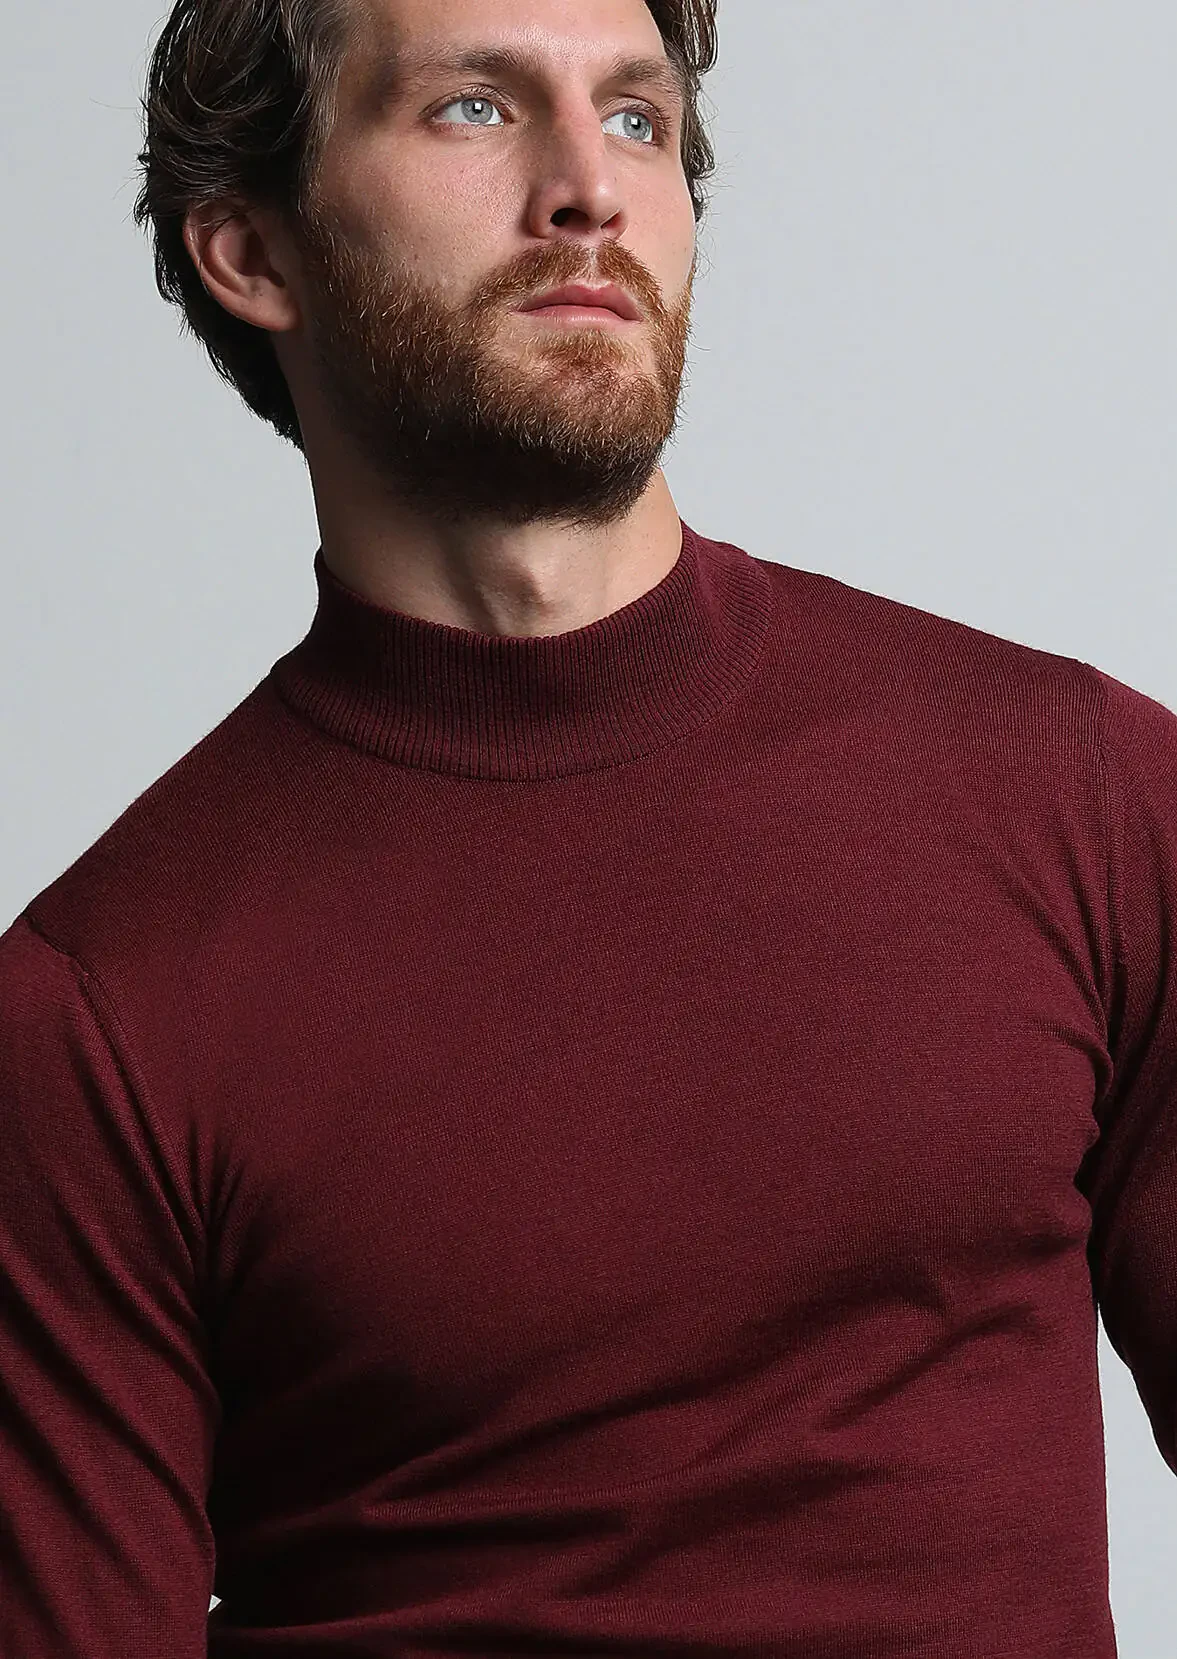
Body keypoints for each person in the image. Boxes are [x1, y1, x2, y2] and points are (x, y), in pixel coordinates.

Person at [1, 0, 1173, 1653]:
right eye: (475, 110)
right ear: (252, 252)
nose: (590, 189)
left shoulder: (1079, 789)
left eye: (636, 119)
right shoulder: (94, 1013)